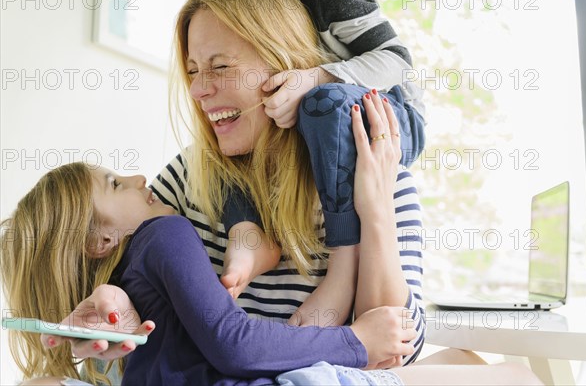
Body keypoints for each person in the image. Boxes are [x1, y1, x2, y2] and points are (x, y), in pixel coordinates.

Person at [3, 101, 541, 386]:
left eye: (222, 67)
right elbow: (233, 343)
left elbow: (403, 340)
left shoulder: (376, 169)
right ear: (98, 239)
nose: (141, 179)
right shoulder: (168, 218)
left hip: (310, 360)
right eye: (116, 184)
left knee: (465, 357)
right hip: (288, 373)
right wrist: (355, 341)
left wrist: (371, 212)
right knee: (518, 375)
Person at [218, 0, 426, 314]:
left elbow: (396, 62)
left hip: (391, 116)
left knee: (321, 103)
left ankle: (344, 261)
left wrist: (314, 79)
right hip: (317, 123)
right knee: (241, 129)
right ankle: (247, 235)